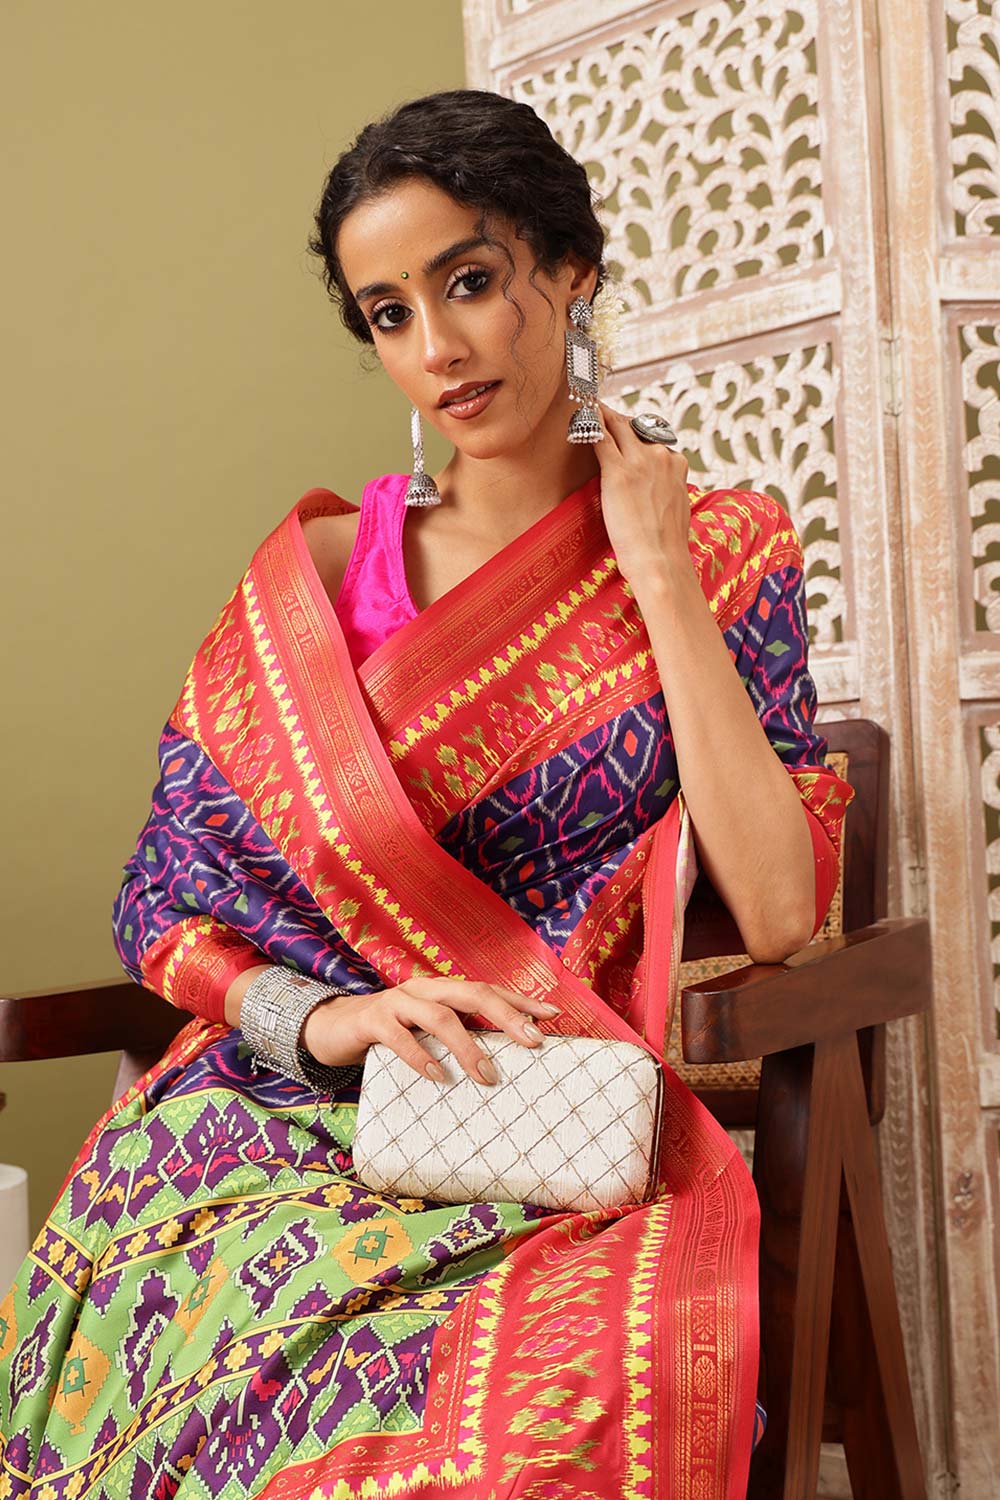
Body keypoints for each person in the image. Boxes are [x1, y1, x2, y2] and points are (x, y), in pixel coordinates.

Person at [0, 89, 853, 1499]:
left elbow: (776, 909)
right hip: (278, 1123)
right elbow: (166, 896)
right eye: (388, 313)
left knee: (534, 1436)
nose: (438, 349)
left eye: (468, 281)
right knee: (217, 1375)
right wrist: (324, 1019)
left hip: (550, 1137)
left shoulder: (723, 548)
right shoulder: (327, 581)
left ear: (569, 271)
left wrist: (657, 572)